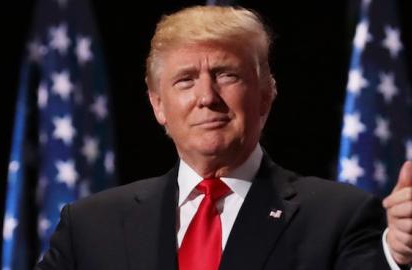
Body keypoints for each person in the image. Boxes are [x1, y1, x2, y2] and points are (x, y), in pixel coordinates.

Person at [36, 5, 412, 270]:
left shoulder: (338, 216)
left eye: (226, 75)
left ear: (266, 94)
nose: (207, 98)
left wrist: (396, 253)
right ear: (158, 106)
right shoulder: (89, 227)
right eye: (185, 80)